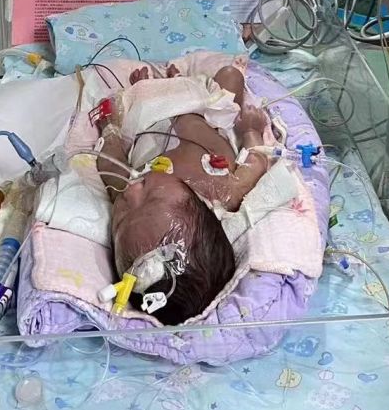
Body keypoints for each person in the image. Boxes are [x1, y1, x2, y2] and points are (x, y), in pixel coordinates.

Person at [95, 63, 269, 324]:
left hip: (156, 118)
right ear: (202, 211)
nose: (130, 191)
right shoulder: (225, 193)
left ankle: (159, 86)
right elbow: (257, 162)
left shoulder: (129, 193)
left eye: (120, 219)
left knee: (137, 102)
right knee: (230, 76)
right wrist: (251, 131)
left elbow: (111, 163)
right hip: (205, 115)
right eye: (152, 198)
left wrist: (110, 130)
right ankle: (175, 82)